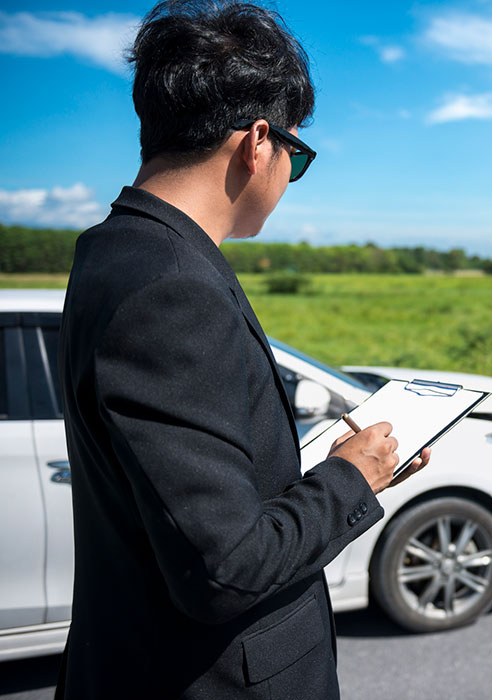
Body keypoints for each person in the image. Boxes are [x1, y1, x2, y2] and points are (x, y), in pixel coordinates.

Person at [55, 1, 427, 697]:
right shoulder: (173, 288)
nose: (289, 175)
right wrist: (353, 480)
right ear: (258, 142)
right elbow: (224, 569)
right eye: (298, 154)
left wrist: (341, 466)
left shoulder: (110, 249)